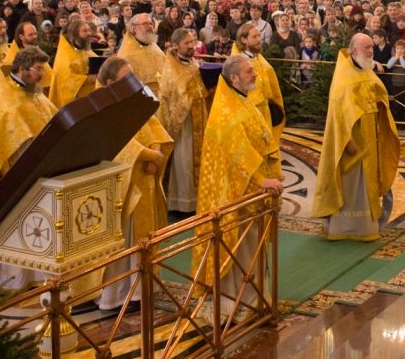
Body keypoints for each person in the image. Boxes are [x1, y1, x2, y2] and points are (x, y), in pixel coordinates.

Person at [195, 55, 283, 323]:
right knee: (240, 247)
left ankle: (254, 300)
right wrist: (262, 180)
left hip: (252, 189)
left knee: (251, 247)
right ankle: (239, 304)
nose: (255, 74)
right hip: (236, 191)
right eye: (248, 71)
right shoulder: (225, 110)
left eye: (253, 70)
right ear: (233, 78)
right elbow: (237, 154)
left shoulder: (242, 99)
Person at [0, 46, 56, 287]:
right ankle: (12, 279)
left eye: (42, 69)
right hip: (14, 174)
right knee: (16, 224)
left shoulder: (33, 92)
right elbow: (0, 130)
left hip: (40, 172)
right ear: (21, 69)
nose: (42, 75)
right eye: (38, 70)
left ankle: (37, 274)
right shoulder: (5, 97)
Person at [95, 57, 174, 312]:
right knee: (124, 240)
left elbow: (153, 126)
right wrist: (150, 156)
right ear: (109, 82)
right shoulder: (101, 105)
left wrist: (156, 149)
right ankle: (118, 295)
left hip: (144, 177)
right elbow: (115, 142)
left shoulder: (132, 98)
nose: (133, 82)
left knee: (143, 237)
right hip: (122, 185)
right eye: (125, 77)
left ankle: (142, 290)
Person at [312, 33, 399, 241]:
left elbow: (377, 93)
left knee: (366, 183)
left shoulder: (365, 69)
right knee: (352, 185)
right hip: (352, 139)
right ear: (354, 50)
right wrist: (348, 139)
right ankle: (345, 229)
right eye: (366, 48)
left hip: (370, 134)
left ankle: (365, 227)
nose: (371, 51)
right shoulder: (344, 77)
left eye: (371, 47)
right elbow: (339, 114)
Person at [157, 28, 207, 219]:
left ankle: (196, 200)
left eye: (192, 42)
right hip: (183, 125)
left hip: (198, 119)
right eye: (186, 43)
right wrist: (192, 94)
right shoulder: (170, 68)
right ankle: (181, 204)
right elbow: (172, 97)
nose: (190, 46)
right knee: (183, 162)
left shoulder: (193, 63)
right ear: (175, 45)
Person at [232, 21, 286, 144]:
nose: (258, 40)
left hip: (265, 110)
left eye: (259, 36)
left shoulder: (258, 57)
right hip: (248, 113)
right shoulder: (237, 63)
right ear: (244, 40)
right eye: (254, 37)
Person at [51, 18, 96, 107]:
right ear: (75, 34)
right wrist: (91, 78)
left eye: (89, 30)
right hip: (74, 103)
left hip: (88, 97)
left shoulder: (81, 49)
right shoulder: (66, 55)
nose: (89, 34)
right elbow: (68, 81)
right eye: (84, 31)